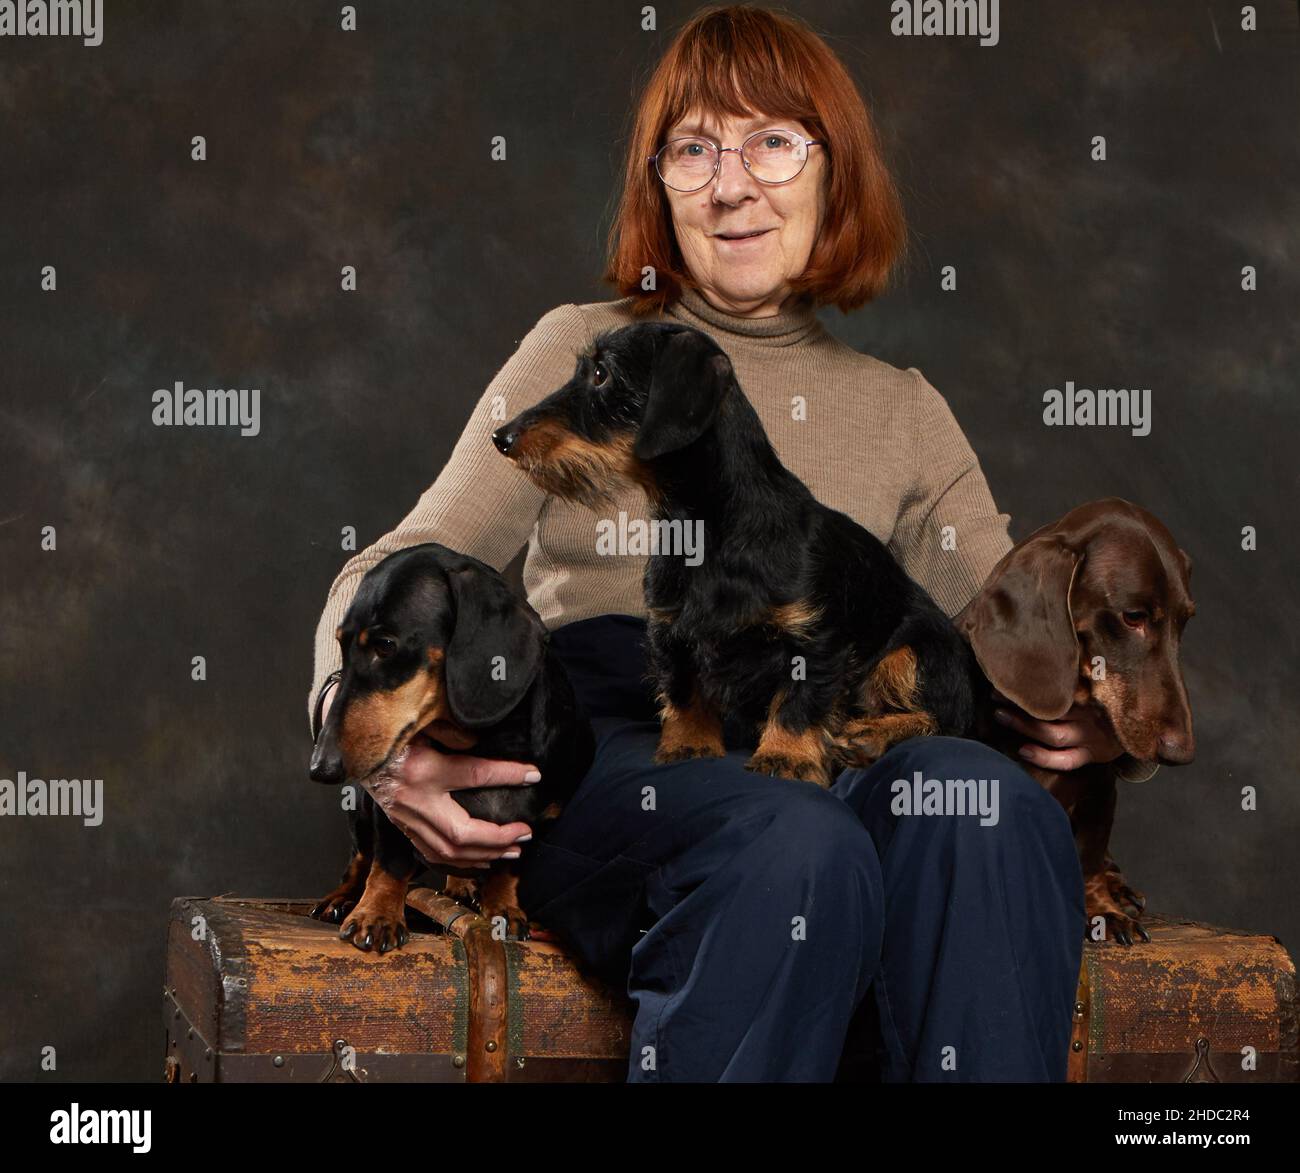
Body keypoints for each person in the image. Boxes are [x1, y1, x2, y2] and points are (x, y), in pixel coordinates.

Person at [308, 6, 1124, 1081]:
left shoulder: (904, 412)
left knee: (990, 812)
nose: (729, 183)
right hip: (627, 729)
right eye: (694, 148)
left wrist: (1100, 717)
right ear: (660, 184)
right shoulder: (582, 351)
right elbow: (397, 565)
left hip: (825, 724)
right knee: (794, 843)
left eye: (773, 143)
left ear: (838, 174)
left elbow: (1014, 634)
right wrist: (376, 746)